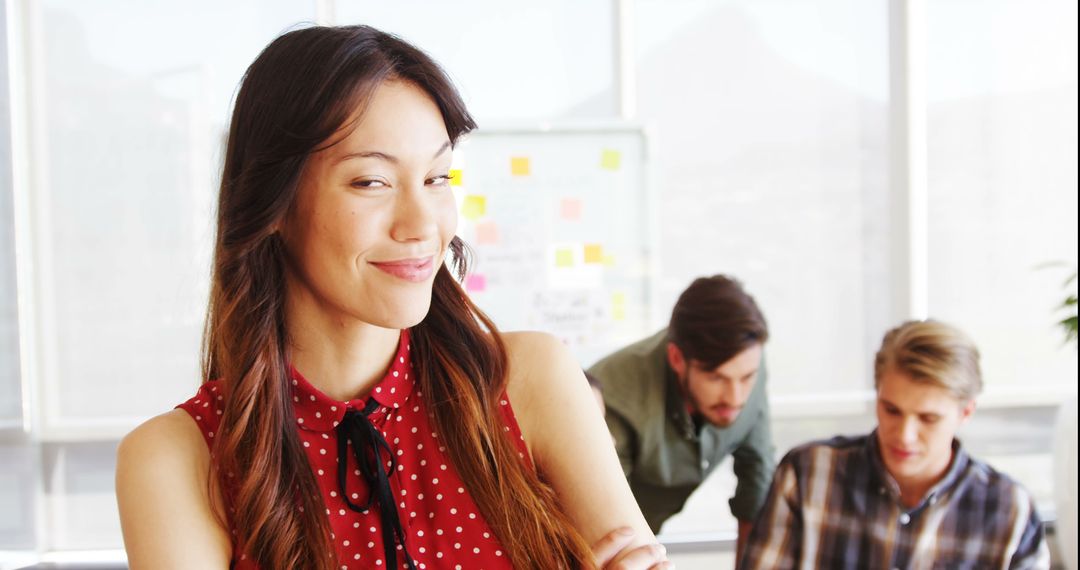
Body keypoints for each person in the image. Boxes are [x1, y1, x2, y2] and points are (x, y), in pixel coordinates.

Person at [115, 25, 671, 570]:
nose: (422, 224)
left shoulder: (529, 381)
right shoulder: (177, 459)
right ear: (274, 203)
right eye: (371, 182)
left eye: (437, 177)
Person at [741, 320, 1050, 569]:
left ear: (965, 412)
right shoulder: (808, 474)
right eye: (891, 410)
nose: (904, 435)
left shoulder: (1008, 510)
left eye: (928, 418)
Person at [588, 275, 775, 560]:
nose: (735, 397)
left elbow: (756, 486)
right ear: (677, 359)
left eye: (747, 377)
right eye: (716, 378)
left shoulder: (746, 363)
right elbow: (605, 527)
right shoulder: (613, 400)